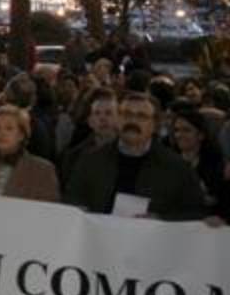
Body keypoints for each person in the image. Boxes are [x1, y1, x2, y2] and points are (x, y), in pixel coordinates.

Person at [66, 92, 206, 220]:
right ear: (118, 119)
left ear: (155, 124)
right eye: (126, 114)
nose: (132, 121)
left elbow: (195, 213)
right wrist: (78, 210)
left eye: (141, 116)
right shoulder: (91, 161)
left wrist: (161, 220)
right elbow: (72, 198)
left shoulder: (177, 168)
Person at [0, 105, 60, 202]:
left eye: (9, 128)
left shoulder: (43, 169)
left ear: (21, 135)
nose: (2, 133)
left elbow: (48, 209)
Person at [170, 105, 225, 205]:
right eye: (176, 130)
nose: (179, 135)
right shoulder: (168, 159)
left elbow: (216, 200)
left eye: (186, 130)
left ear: (201, 135)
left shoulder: (215, 163)